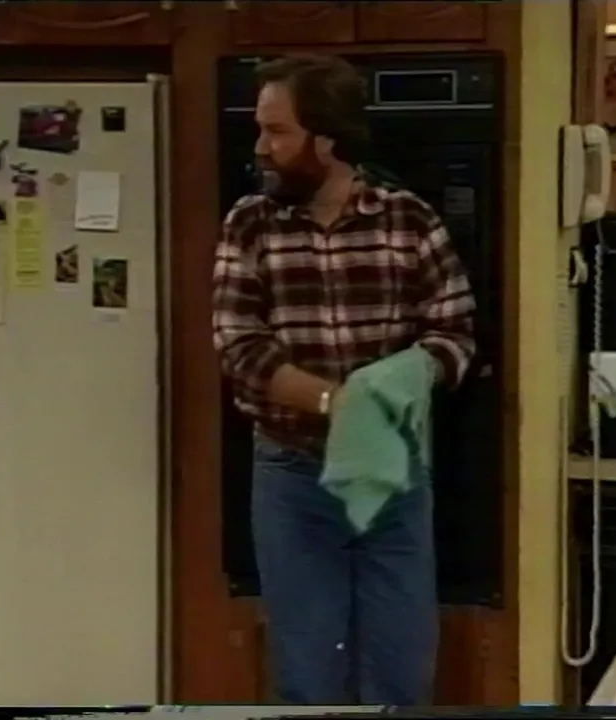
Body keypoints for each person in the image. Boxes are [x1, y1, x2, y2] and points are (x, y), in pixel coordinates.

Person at [211, 55, 476, 704]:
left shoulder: (409, 220)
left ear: (325, 138)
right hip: (293, 477)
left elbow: (455, 334)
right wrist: (341, 401)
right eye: (261, 129)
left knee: (402, 677)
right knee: (308, 681)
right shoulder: (249, 224)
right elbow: (239, 345)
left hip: (395, 476)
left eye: (278, 131)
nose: (261, 147)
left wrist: (403, 379)